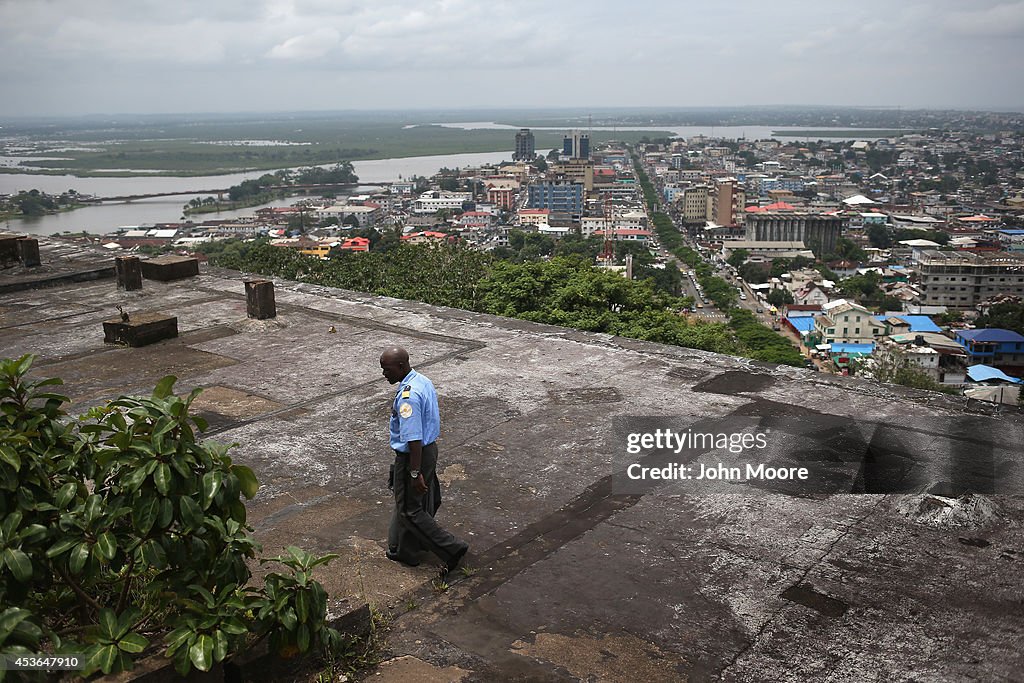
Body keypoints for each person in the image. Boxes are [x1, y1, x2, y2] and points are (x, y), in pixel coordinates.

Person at [379, 346, 469, 571]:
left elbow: (413, 438)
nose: (384, 374)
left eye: (387, 369)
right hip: (429, 450)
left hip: (414, 455)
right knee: (426, 499)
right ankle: (407, 549)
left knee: (409, 509)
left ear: (401, 366)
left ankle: (451, 547)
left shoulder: (409, 398)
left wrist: (414, 472)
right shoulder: (422, 380)